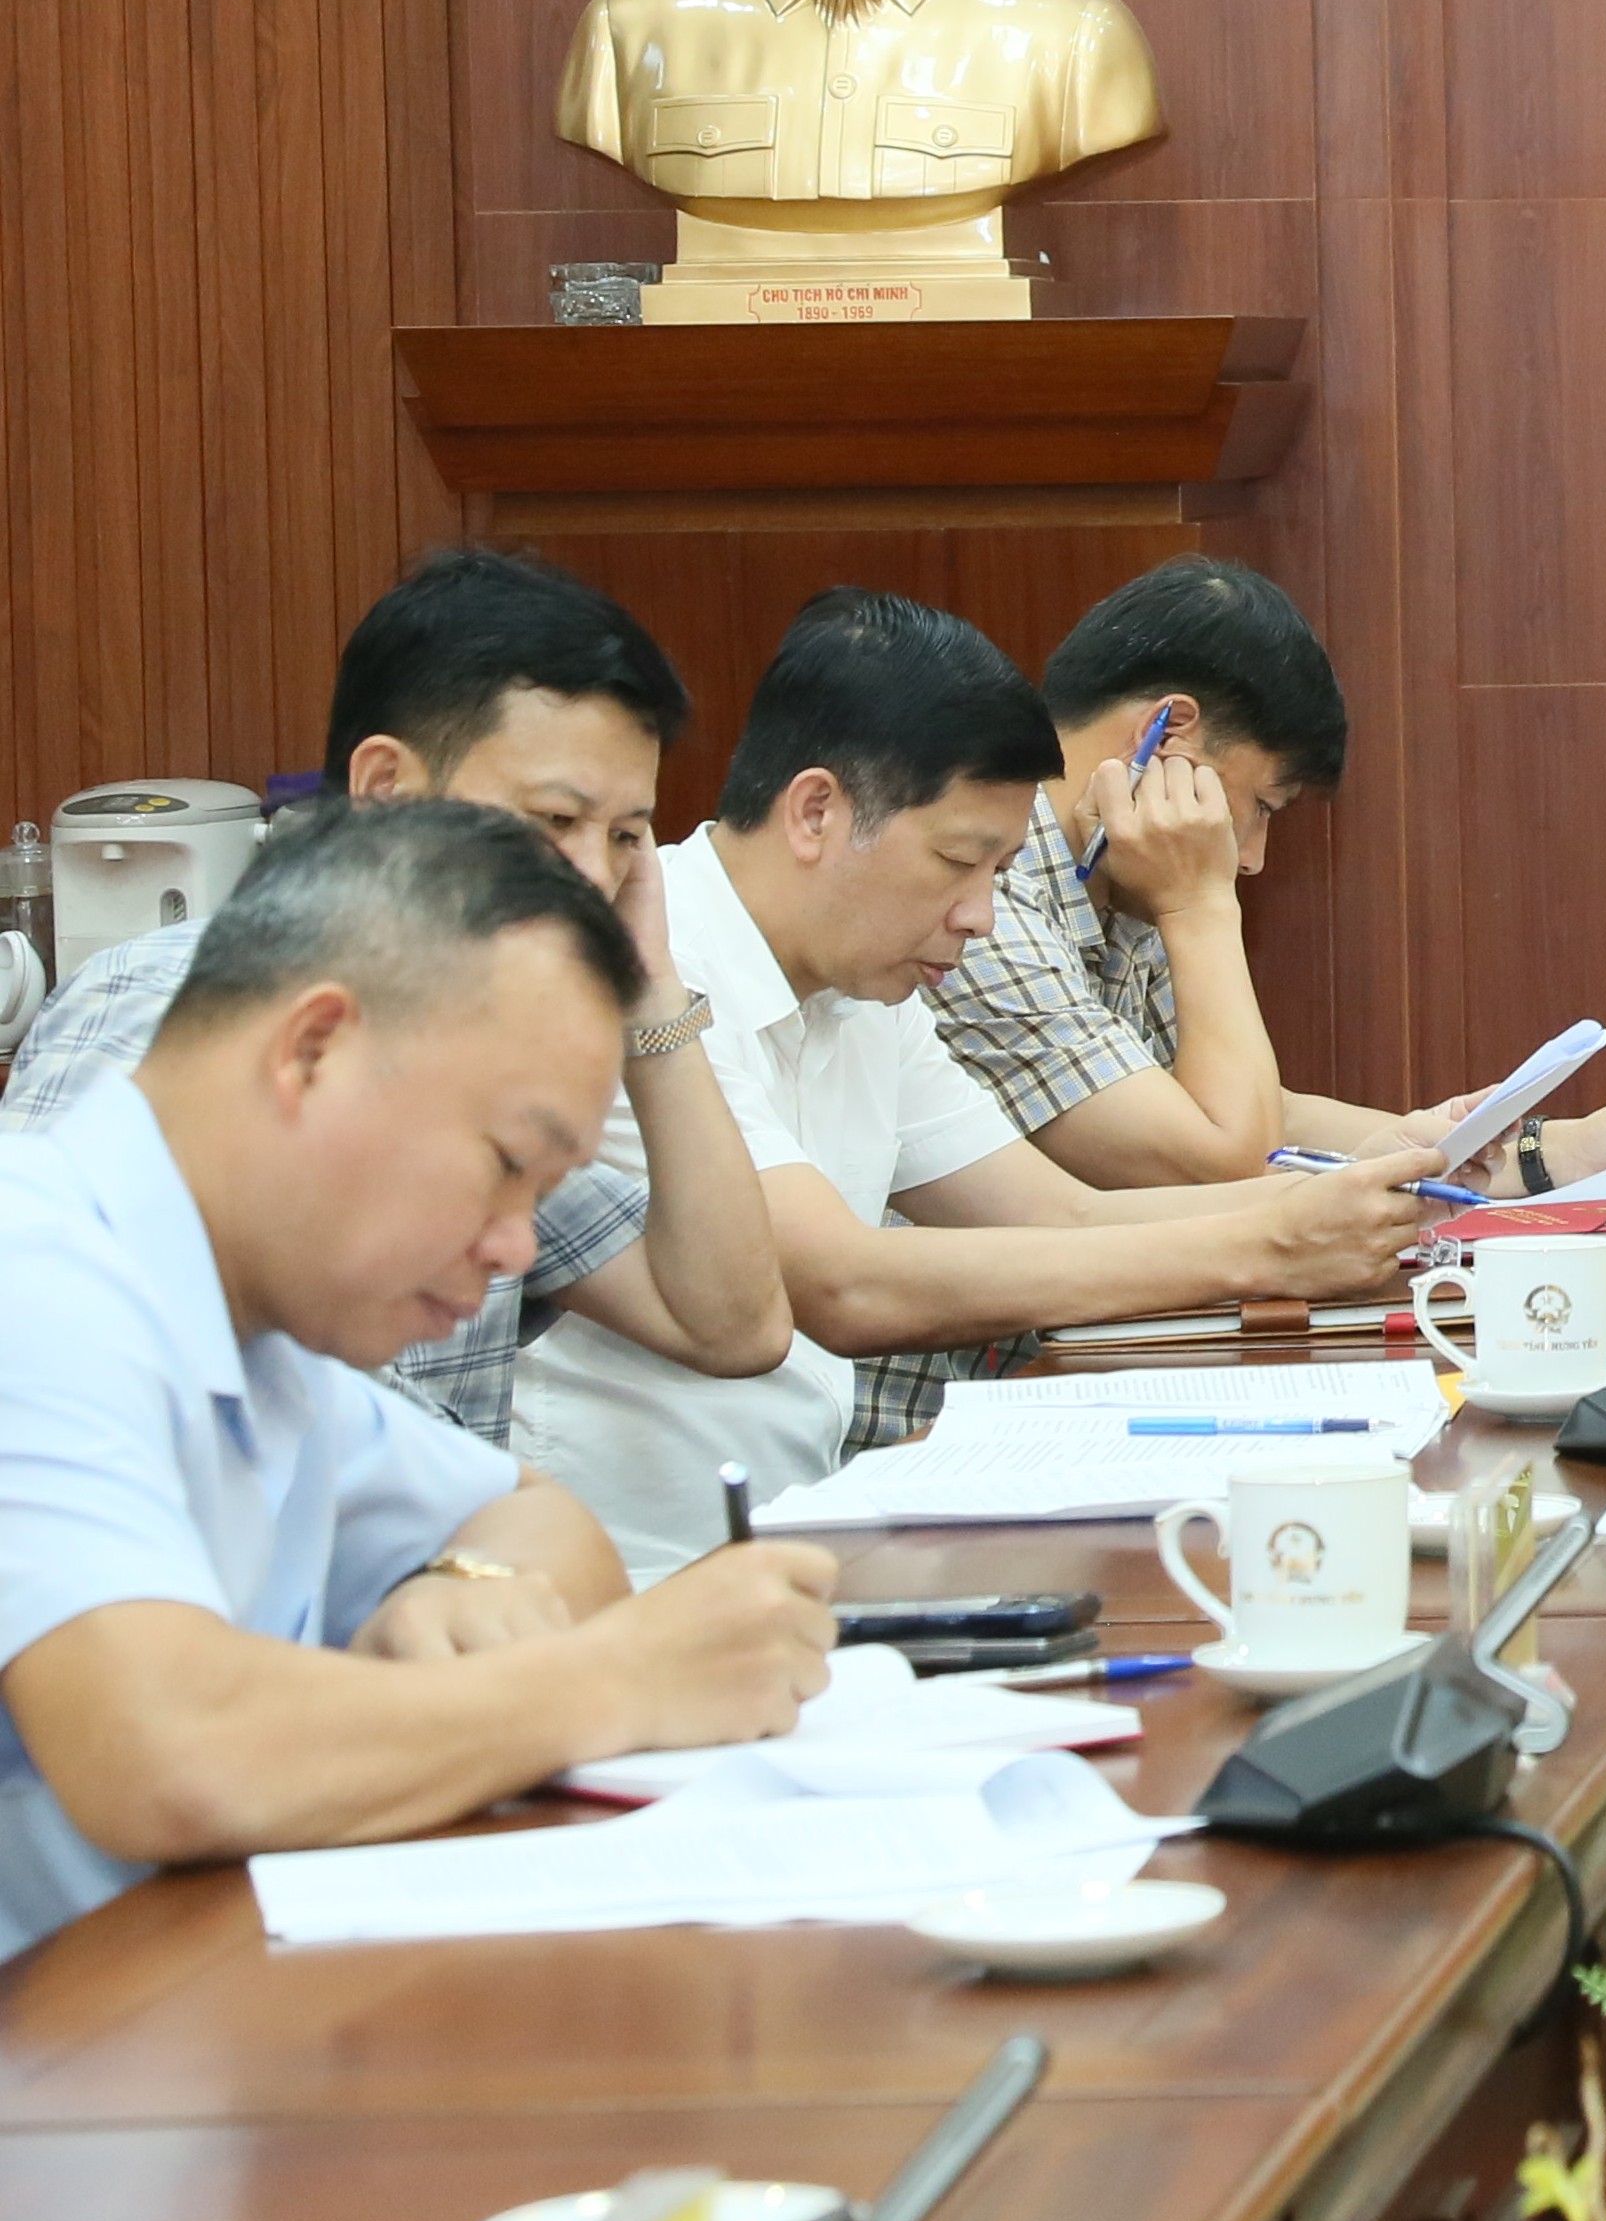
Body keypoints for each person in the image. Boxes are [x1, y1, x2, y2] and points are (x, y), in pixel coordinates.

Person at [0, 801, 838, 1957]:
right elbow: (165, 1753)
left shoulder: (266, 1326)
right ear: (313, 1050)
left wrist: (458, 1585)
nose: (515, 1246)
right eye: (505, 1165)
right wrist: (616, 1680)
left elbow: (544, 1522)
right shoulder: (33, 1270)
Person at [511, 589, 1439, 1572]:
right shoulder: (644, 963)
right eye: (959, 861)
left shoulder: (870, 990)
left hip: (804, 1538)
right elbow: (842, 1282)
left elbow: (1061, 1216)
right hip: (628, 1576)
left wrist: (1357, 1199)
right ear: (816, 812)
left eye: (999, 872)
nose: (981, 917)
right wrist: (1266, 1246)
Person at [864, 556, 1606, 1446]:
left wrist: (1541, 1151)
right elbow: (1215, 1157)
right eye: (1263, 805)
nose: (1252, 857)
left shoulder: (1112, 876)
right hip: (919, 1429)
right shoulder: (983, 909)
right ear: (1165, 737)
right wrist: (1200, 904)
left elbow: (1251, 1114)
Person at [2, 550, 789, 1439]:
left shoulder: (481, 1046)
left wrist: (646, 991)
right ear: (385, 789)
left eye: (626, 837)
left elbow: (733, 1324)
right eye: (556, 820)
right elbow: (60, 1365)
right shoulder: (173, 1004)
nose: (594, 877)